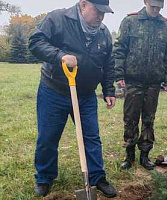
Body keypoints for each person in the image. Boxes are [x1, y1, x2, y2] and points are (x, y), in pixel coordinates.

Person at [28, 0, 117, 197]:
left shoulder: (103, 33)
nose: (101, 17)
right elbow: (35, 42)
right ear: (84, 4)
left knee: (91, 137)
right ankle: (44, 177)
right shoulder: (58, 19)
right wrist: (60, 55)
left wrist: (109, 90)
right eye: (98, 11)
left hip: (85, 95)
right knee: (48, 137)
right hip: (54, 90)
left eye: (105, 13)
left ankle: (97, 177)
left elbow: (108, 63)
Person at [113, 0, 167, 171]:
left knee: (149, 119)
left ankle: (145, 155)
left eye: (159, 7)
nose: (156, 10)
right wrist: (119, 74)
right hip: (133, 80)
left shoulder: (166, 26)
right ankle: (129, 155)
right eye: (153, 6)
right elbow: (120, 49)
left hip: (153, 82)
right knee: (130, 118)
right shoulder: (130, 22)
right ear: (146, 2)